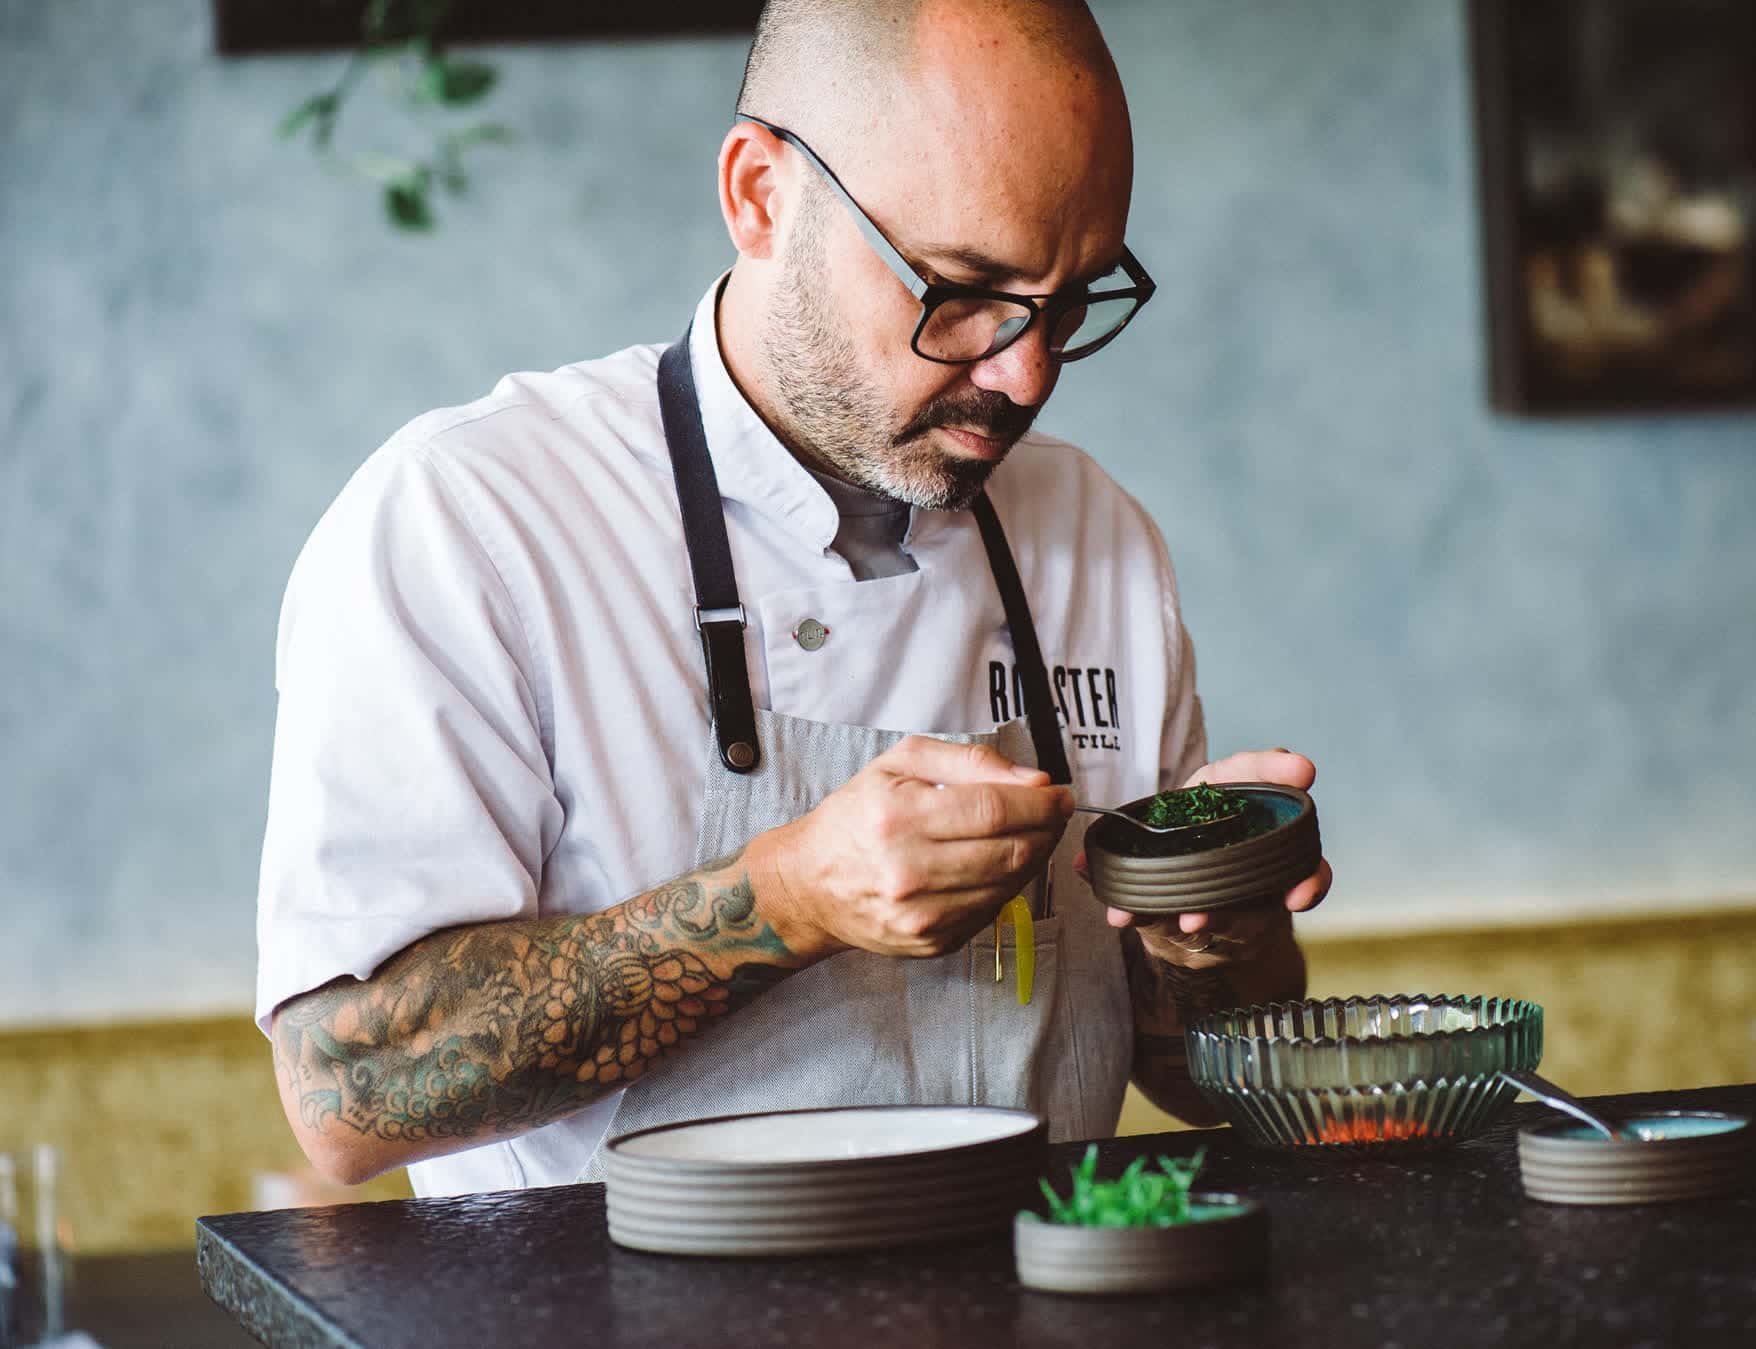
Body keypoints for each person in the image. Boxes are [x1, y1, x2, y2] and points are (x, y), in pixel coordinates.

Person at [256, 0, 1331, 1196]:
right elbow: (346, 1091)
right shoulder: (471, 518)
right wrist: (789, 897)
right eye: (962, 288)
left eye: (1073, 298)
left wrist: (1213, 938)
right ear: (761, 195)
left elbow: (1195, 1076)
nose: (1025, 372)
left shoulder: (1096, 533)